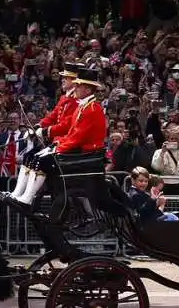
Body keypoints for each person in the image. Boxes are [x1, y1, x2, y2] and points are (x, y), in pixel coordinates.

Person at [7, 67, 107, 209]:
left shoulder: (92, 109)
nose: (75, 88)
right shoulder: (83, 106)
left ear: (88, 90)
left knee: (42, 159)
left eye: (79, 86)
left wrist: (57, 146)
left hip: (87, 151)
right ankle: (21, 195)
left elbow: (77, 137)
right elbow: (72, 132)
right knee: (35, 157)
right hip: (75, 146)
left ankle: (27, 198)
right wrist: (55, 140)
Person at [7, 62, 81, 201]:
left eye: (67, 77)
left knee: (38, 159)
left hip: (65, 143)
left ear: (75, 81)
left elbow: (66, 125)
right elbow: (53, 116)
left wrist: (45, 131)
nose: (63, 79)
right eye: (63, 77)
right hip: (57, 141)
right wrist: (37, 126)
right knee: (28, 156)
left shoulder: (76, 101)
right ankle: (17, 194)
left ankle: (27, 198)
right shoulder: (64, 98)